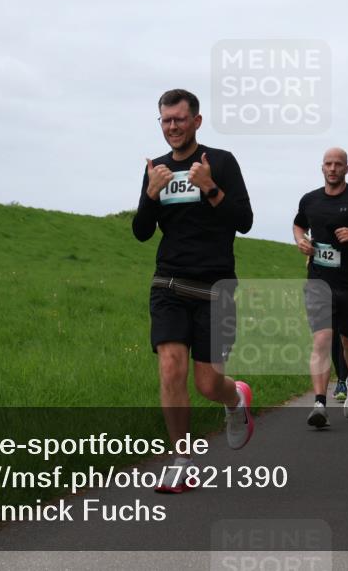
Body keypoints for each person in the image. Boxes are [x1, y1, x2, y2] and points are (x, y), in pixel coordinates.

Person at [132, 89, 254, 492]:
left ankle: (235, 399)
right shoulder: (157, 169)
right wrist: (150, 194)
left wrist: (211, 188)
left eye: (179, 119)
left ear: (196, 121)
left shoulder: (221, 162)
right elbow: (141, 232)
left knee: (207, 384)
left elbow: (244, 221)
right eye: (165, 120)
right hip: (168, 283)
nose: (172, 127)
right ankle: (182, 462)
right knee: (170, 368)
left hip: (215, 289)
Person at [293, 148, 348, 427]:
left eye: (338, 164)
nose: (333, 168)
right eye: (328, 164)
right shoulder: (310, 200)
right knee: (322, 340)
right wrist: (301, 241)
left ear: (347, 168)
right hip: (318, 281)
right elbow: (298, 225)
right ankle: (319, 404)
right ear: (322, 167)